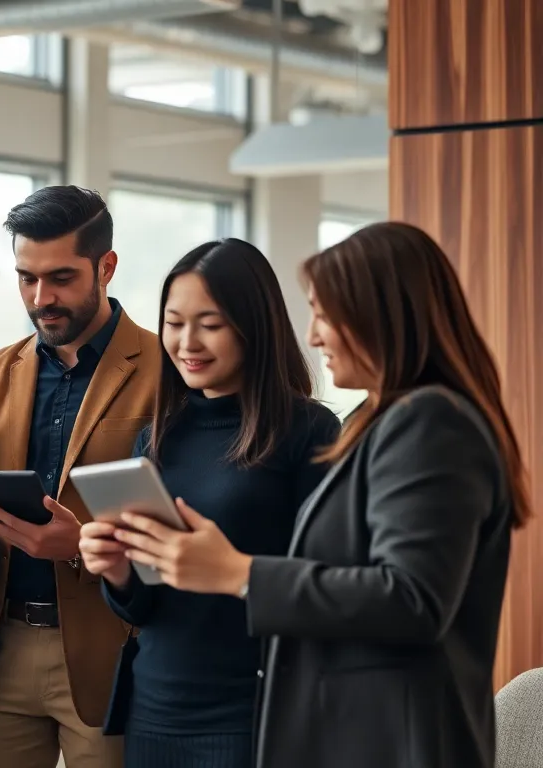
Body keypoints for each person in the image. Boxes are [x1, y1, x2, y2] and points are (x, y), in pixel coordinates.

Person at [108, 221, 529, 768]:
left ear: (385, 316)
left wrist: (238, 572)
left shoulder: (427, 422)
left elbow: (413, 600)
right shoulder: (384, 421)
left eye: (328, 315)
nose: (313, 335)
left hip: (386, 732)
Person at [77, 238, 340, 767]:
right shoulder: (156, 439)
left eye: (210, 324)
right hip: (153, 708)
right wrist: (118, 571)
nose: (187, 342)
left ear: (253, 325)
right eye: (174, 323)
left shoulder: (308, 431)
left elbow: (324, 583)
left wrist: (231, 567)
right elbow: (146, 604)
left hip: (252, 711)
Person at [0, 185, 159, 768]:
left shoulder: (165, 370)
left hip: (112, 651)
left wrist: (79, 546)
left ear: (107, 267)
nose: (41, 298)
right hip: (0, 650)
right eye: (26, 277)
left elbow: (182, 522)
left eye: (62, 278)